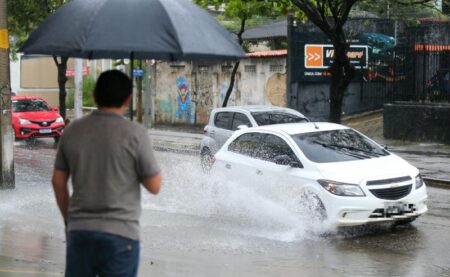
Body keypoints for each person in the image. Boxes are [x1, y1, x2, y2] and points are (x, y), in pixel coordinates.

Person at [52, 70, 162, 277]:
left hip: (80, 232)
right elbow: (154, 186)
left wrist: (69, 221)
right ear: (128, 99)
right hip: (121, 235)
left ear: (94, 95)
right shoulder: (135, 134)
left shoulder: (73, 131)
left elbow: (58, 182)